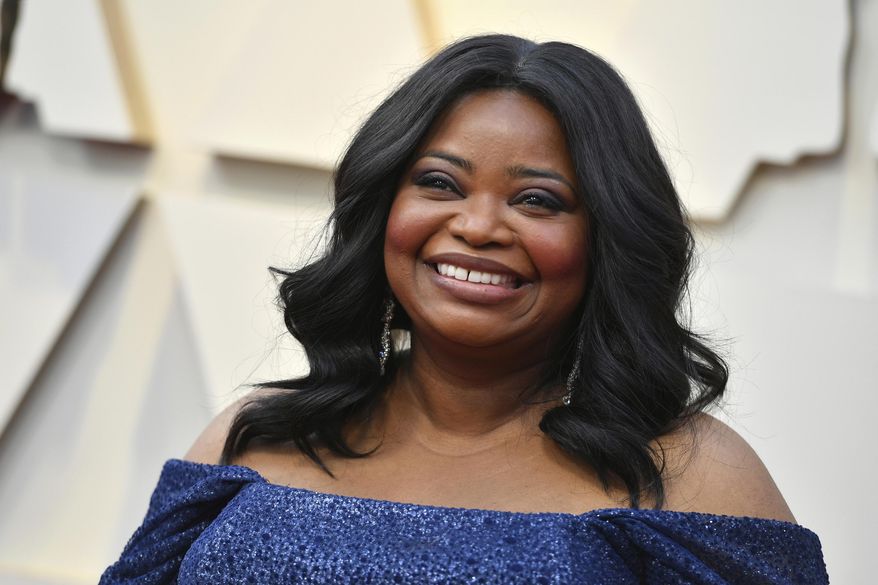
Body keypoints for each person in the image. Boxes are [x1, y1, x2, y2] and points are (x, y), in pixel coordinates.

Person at [100, 34, 828, 584]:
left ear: (608, 240)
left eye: (537, 199)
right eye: (440, 184)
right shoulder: (252, 437)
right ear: (382, 210)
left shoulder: (692, 476)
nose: (478, 227)